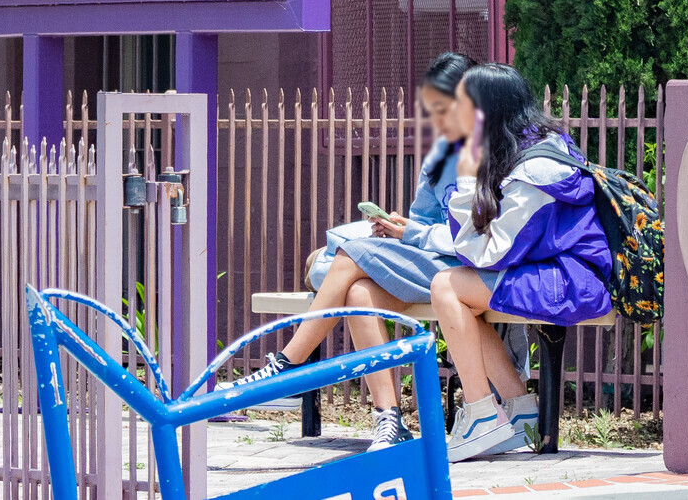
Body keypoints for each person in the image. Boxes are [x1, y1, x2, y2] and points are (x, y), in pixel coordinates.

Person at [229, 52, 476, 451]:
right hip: (430, 261)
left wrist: (412, 234)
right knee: (360, 294)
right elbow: (423, 220)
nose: (438, 118)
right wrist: (398, 227)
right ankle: (389, 418)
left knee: (351, 253)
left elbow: (481, 237)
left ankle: (288, 366)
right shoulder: (440, 157)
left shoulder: (486, 153)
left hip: (465, 268)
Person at [429, 63, 611, 462]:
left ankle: (480, 417)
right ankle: (517, 407)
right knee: (459, 294)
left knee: (446, 286)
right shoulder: (530, 146)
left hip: (573, 280)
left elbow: (495, 252)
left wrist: (463, 179)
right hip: (558, 270)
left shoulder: (537, 169)